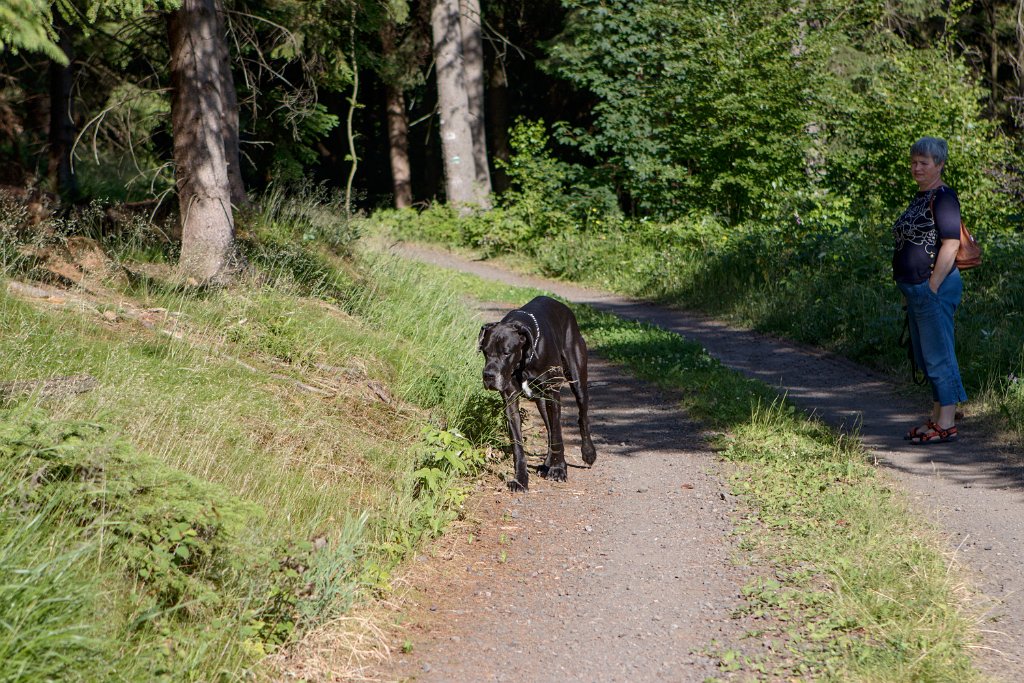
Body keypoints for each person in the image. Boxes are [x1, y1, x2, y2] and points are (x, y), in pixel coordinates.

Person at [892, 136, 967, 444]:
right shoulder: (921, 197)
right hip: (917, 290)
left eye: (924, 163)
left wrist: (932, 285)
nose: (917, 168)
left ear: (939, 164)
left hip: (933, 288)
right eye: (913, 162)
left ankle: (947, 422)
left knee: (939, 356)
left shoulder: (944, 196)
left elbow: (951, 242)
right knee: (926, 356)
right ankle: (937, 416)